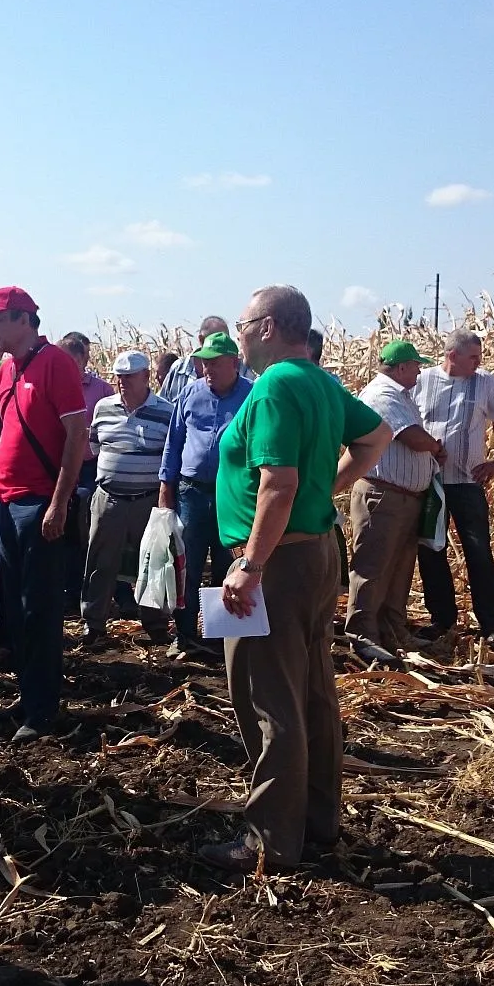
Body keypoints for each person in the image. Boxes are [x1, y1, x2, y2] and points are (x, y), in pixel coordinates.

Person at [202, 285, 390, 873]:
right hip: (314, 553)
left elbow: (278, 484)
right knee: (311, 689)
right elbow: (376, 437)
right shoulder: (320, 381)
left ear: (267, 326)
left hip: (275, 563)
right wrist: (325, 488)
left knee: (269, 696)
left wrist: (250, 566)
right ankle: (317, 819)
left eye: (241, 324)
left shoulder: (277, 385)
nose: (236, 335)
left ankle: (271, 840)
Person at [0, 286, 88, 742]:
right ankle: (28, 696)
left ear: (24, 320)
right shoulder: (7, 368)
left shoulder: (55, 363)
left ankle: (42, 710)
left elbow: (76, 436)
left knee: (39, 609)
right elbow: (8, 434)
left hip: (39, 503)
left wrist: (59, 503)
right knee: (14, 608)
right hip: (9, 503)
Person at [412, 330, 494, 643]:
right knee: (431, 550)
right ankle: (442, 620)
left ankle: (492, 626)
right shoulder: (422, 381)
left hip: (467, 484)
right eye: (473, 357)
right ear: (453, 356)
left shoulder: (484, 383)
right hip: (429, 483)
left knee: (479, 552)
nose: (478, 362)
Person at [156, 331, 252, 659]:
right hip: (191, 493)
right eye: (203, 363)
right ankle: (184, 634)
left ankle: (223, 638)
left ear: (234, 363)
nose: (206, 369)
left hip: (232, 496)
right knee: (188, 566)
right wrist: (165, 487)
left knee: (228, 567)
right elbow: (174, 442)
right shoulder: (190, 393)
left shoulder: (251, 396)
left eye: (214, 363)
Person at [343, 341, 443, 658]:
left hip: (403, 498)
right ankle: (362, 635)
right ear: (401, 367)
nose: (419, 372)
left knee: (399, 570)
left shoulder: (401, 396)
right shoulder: (381, 395)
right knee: (372, 566)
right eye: (415, 366)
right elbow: (413, 438)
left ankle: (393, 631)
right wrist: (436, 447)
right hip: (382, 496)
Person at [81, 350, 174, 649]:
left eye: (129, 377)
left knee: (153, 562)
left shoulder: (166, 411)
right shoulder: (103, 408)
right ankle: (93, 623)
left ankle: (155, 624)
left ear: (146, 377)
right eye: (119, 377)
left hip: (148, 501)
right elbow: (95, 447)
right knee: (100, 562)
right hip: (108, 499)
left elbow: (170, 457)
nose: (123, 382)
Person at [57, 332, 113, 611]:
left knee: (92, 529)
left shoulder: (102, 390)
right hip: (62, 466)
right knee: (67, 531)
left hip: (92, 468)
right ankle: (69, 591)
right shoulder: (53, 386)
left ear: (83, 360)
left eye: (70, 361)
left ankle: (94, 592)